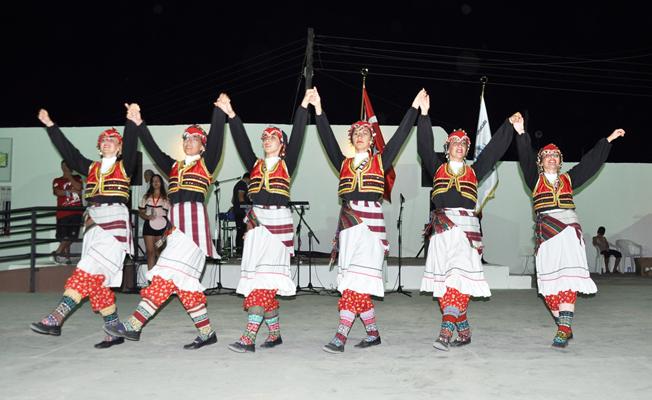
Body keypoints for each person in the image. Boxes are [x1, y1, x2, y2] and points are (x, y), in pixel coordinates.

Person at [105, 97, 226, 350]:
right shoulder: (174, 167)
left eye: (194, 138)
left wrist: (218, 111)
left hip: (193, 233)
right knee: (183, 285)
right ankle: (207, 332)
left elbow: (216, 140)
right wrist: (138, 124)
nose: (188, 141)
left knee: (165, 276)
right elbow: (154, 150)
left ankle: (135, 324)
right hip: (178, 230)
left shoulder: (207, 164)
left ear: (202, 146)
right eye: (185, 138)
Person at [311, 87, 423, 354]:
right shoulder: (344, 163)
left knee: (354, 284)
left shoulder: (381, 162)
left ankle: (341, 336)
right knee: (354, 282)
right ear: (352, 140)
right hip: (348, 230)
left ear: (372, 140)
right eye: (356, 133)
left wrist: (414, 108)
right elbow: (326, 139)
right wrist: (319, 110)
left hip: (371, 230)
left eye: (365, 133)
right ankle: (373, 333)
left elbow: (400, 136)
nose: (360, 136)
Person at [31, 105, 138, 349]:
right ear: (99, 147)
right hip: (93, 226)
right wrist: (51, 126)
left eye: (113, 140)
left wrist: (131, 122)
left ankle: (56, 317)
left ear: (120, 147)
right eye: (104, 140)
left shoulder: (124, 167)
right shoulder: (90, 168)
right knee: (97, 282)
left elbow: (132, 145)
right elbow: (69, 152)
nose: (108, 142)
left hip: (114, 227)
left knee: (86, 271)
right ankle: (114, 331)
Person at [418, 94, 518, 351]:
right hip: (441, 232)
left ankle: (445, 333)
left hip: (466, 233)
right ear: (447, 147)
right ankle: (463, 330)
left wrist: (507, 125)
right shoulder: (436, 167)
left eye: (464, 144)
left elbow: (494, 149)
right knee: (444, 286)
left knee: (458, 279)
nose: (460, 146)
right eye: (455, 143)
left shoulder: (475, 170)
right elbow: (423, 146)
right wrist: (425, 115)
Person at [515, 119, 625, 348]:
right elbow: (525, 157)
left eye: (556, 156)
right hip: (546, 235)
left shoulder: (568, 179)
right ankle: (564, 324)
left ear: (560, 161)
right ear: (541, 161)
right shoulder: (534, 180)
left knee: (568, 279)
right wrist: (521, 133)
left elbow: (590, 164)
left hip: (568, 233)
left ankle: (564, 328)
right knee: (548, 286)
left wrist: (608, 140)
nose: (552, 158)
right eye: (547, 155)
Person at [216, 89, 311, 353]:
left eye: (273, 137)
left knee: (261, 283)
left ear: (282, 145)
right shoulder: (255, 165)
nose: (268, 140)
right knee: (261, 280)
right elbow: (242, 142)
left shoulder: (286, 164)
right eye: (265, 137)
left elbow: (300, 135)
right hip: (256, 226)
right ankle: (275, 334)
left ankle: (248, 338)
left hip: (278, 228)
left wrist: (303, 106)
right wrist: (231, 114)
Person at [52, 160, 83, 264]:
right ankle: (66, 257)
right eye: (64, 166)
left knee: (72, 236)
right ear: (62, 167)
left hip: (76, 212)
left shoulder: (77, 178)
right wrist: (70, 192)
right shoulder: (57, 180)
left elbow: (79, 188)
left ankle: (58, 252)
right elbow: (57, 192)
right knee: (64, 236)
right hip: (62, 213)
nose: (66, 168)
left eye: (68, 166)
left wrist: (69, 176)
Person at [138, 174, 170, 270]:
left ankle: (159, 277)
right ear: (151, 183)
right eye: (153, 181)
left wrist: (167, 232)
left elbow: (170, 215)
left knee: (159, 250)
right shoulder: (146, 197)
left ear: (161, 183)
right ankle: (150, 279)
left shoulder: (166, 198)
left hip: (163, 229)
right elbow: (141, 212)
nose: (156, 183)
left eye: (158, 180)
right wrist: (147, 217)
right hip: (149, 227)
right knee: (150, 252)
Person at [231, 172, 251, 255]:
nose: (251, 182)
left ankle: (240, 251)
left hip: (238, 211)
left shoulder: (238, 184)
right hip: (241, 212)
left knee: (240, 231)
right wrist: (249, 207)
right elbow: (241, 198)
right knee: (242, 231)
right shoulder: (242, 185)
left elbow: (232, 200)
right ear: (247, 178)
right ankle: (241, 251)